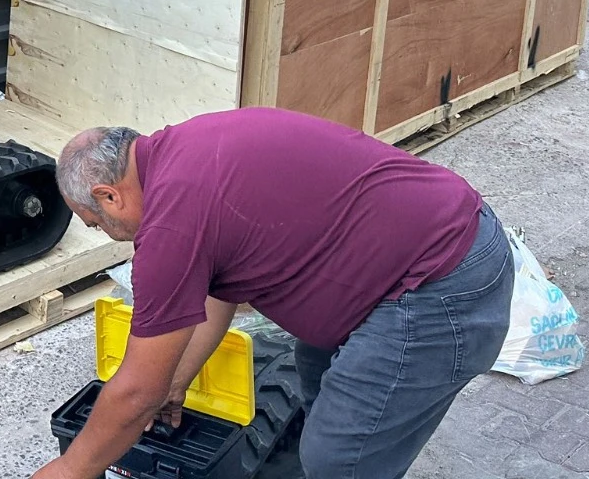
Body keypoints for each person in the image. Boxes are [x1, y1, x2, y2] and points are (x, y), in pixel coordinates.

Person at [34, 108, 514, 479]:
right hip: (430, 238)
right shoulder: (185, 149)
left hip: (443, 282)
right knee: (316, 376)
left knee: (338, 458)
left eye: (98, 224)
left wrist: (72, 468)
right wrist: (178, 381)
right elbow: (212, 293)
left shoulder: (169, 226)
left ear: (107, 195)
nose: (110, 235)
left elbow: (137, 390)